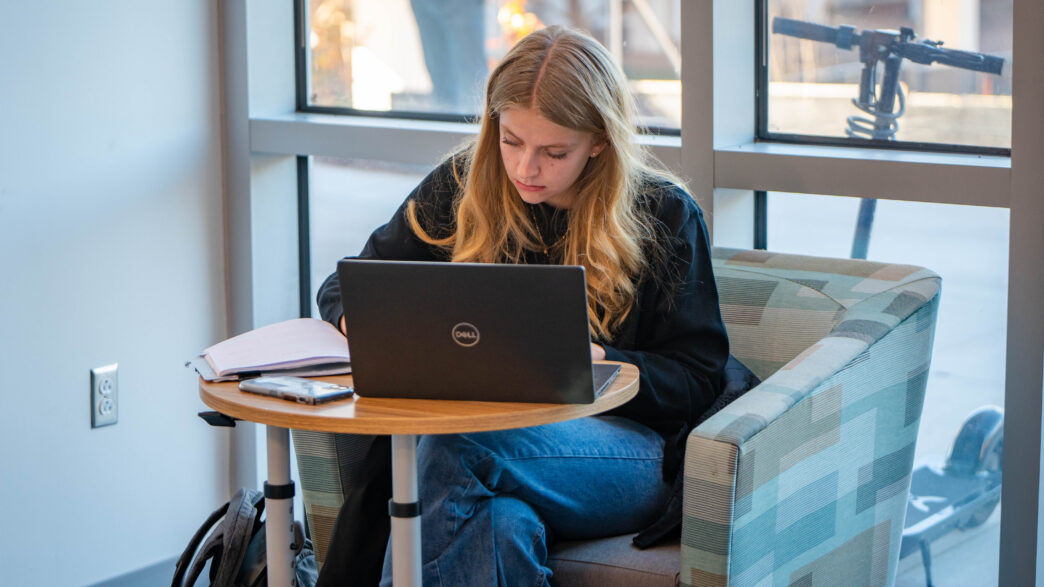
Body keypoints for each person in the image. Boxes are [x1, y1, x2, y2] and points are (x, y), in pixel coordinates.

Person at [316, 25, 730, 586]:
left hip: (627, 451)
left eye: (554, 151)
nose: (525, 169)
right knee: (498, 527)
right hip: (481, 445)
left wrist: (600, 360)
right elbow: (348, 286)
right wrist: (367, 324)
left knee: (454, 447)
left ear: (600, 141)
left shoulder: (664, 215)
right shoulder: (464, 186)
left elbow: (698, 378)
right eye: (511, 141)